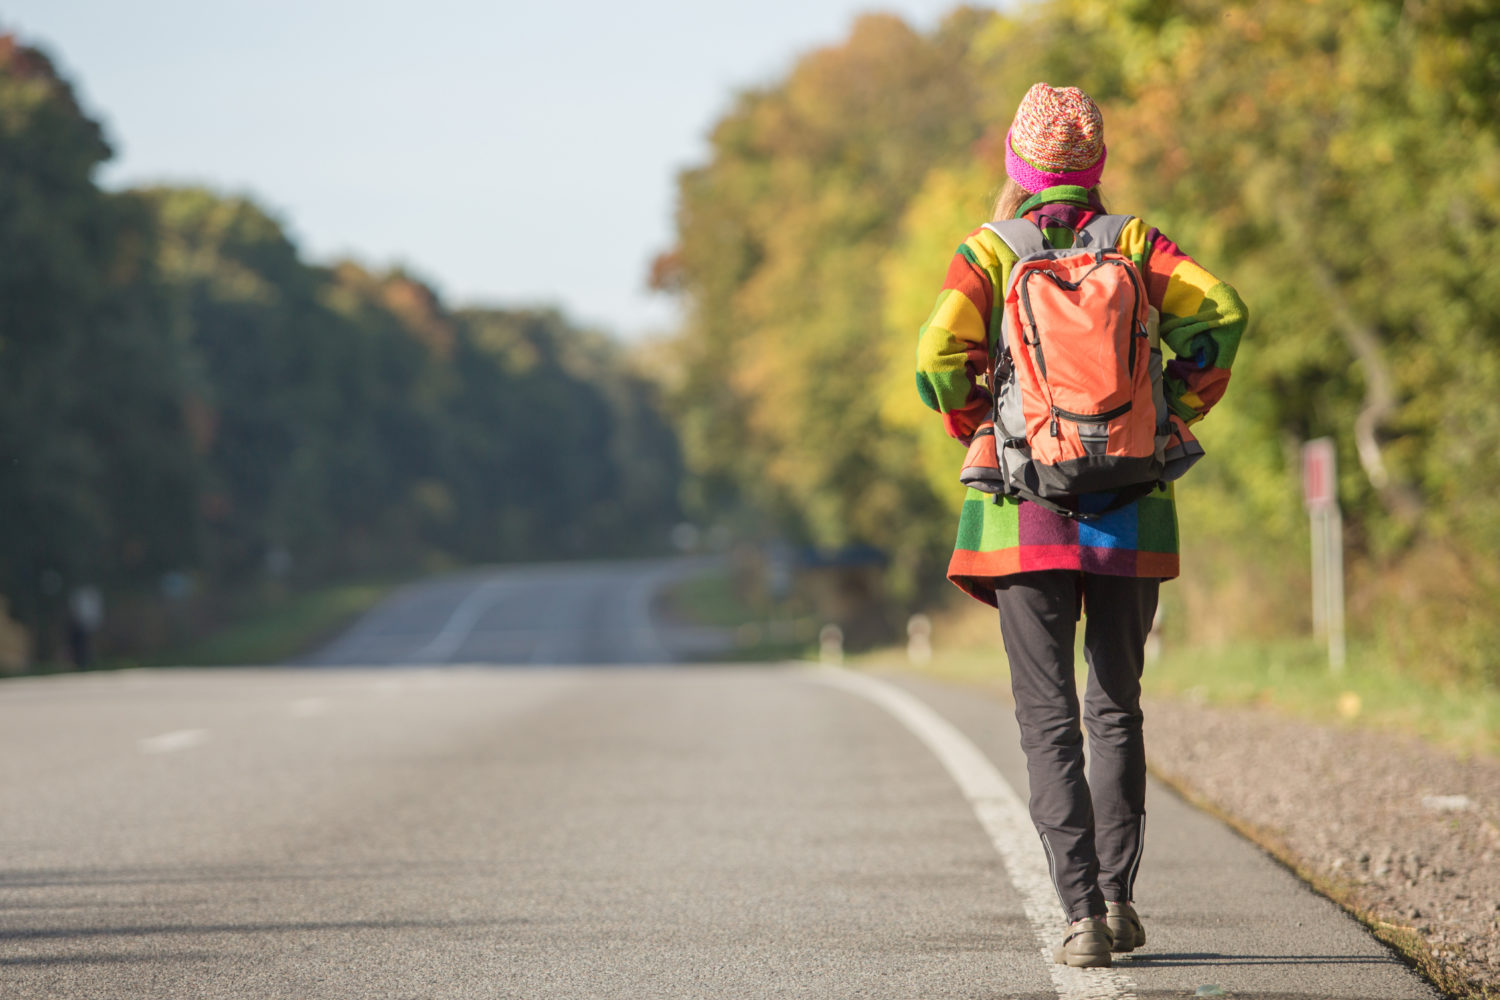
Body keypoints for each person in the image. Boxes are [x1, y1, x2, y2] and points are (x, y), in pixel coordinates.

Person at [914, 83, 1248, 968]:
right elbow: (1223, 311)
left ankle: (1079, 916)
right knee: (1116, 709)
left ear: (1018, 168)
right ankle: (1120, 896)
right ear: (1094, 167)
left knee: (1045, 717)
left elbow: (938, 354)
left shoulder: (988, 253)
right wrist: (1176, 403)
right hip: (1131, 504)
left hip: (1019, 511)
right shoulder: (1138, 245)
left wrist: (979, 423)